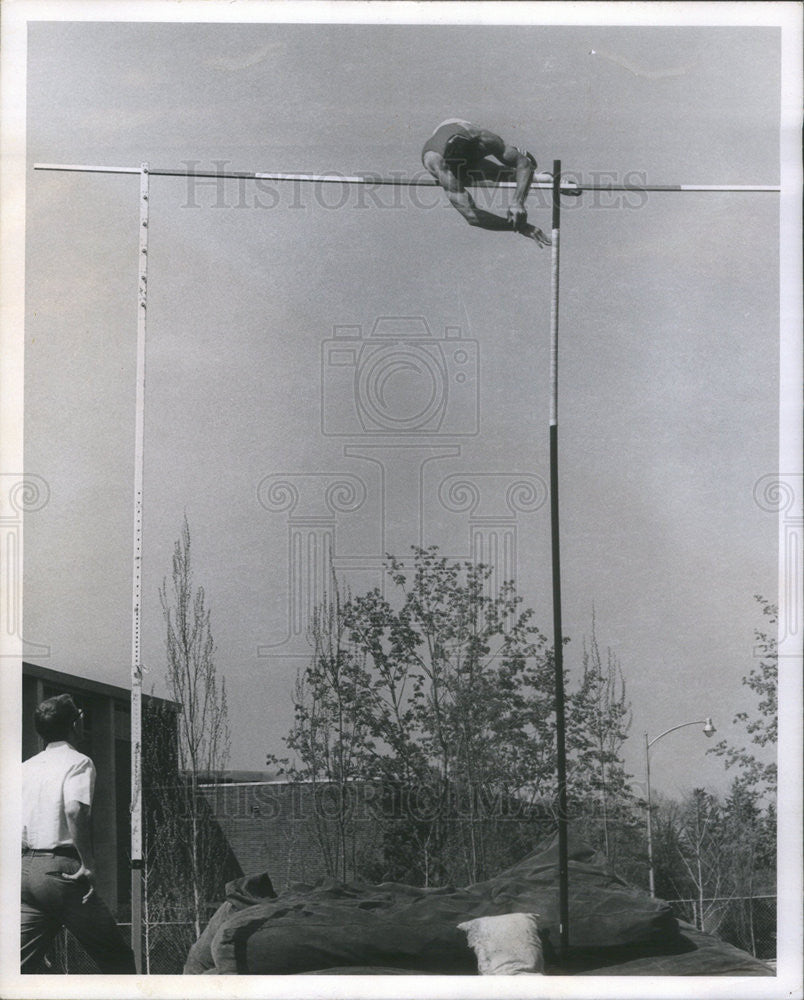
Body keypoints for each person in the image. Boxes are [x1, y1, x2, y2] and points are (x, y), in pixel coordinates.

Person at [21, 693, 136, 974]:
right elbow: (74, 811)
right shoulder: (79, 762)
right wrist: (87, 863)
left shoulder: (24, 768)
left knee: (19, 964)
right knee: (117, 959)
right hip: (61, 871)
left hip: (24, 871)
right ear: (75, 724)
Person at [422, 119, 577, 245]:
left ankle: (539, 175)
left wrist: (518, 202)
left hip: (461, 128)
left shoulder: (484, 138)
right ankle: (540, 177)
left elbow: (524, 163)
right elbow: (471, 215)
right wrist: (519, 227)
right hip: (443, 151)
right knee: (491, 174)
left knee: (505, 171)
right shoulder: (437, 163)